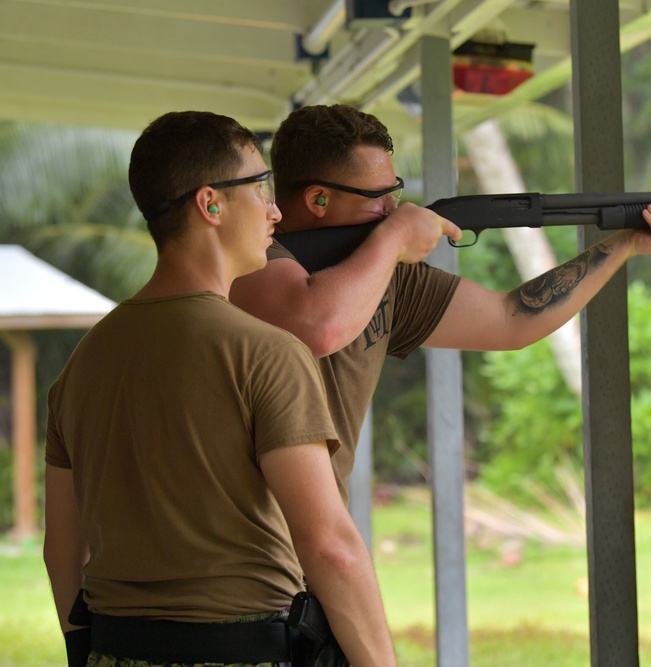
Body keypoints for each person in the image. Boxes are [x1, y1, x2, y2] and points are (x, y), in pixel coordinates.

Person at [43, 110, 412, 667]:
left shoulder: (85, 361)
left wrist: (83, 651)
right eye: (259, 188)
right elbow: (330, 547)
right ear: (210, 203)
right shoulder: (268, 352)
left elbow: (60, 551)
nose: (275, 210)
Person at [229, 103, 651, 506]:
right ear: (317, 199)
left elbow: (510, 321)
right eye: (380, 198)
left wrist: (623, 246)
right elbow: (320, 327)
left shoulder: (385, 272)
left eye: (397, 194)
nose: (395, 209)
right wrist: (393, 239)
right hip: (246, 538)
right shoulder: (247, 263)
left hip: (310, 540)